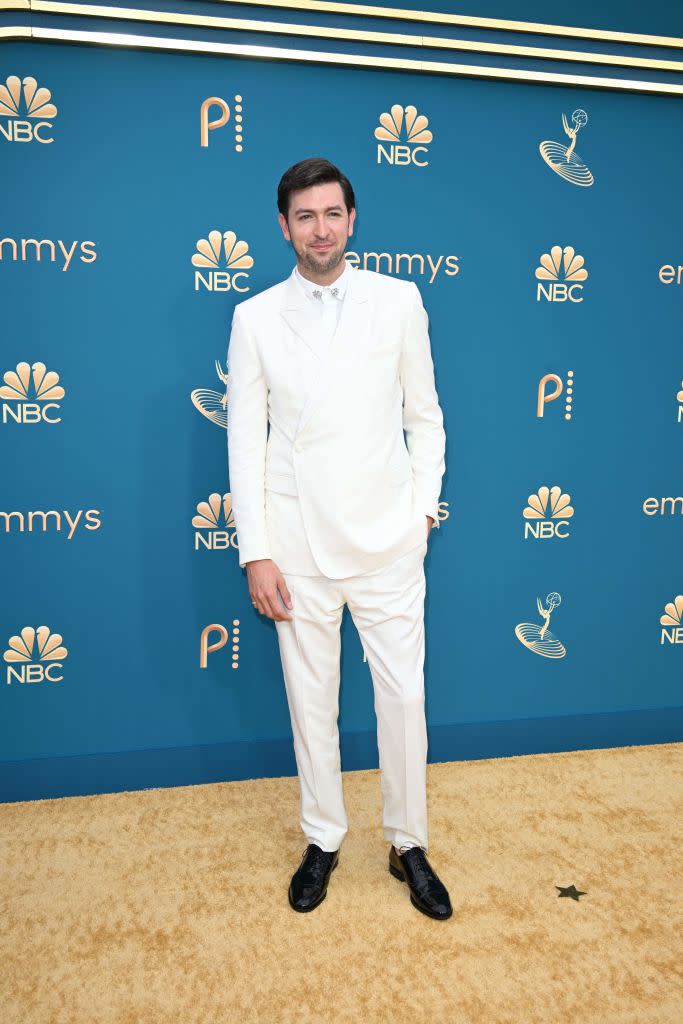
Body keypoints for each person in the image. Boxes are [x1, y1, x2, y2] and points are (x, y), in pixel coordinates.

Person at [226, 156, 452, 920]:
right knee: (309, 702)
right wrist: (255, 549)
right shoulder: (255, 316)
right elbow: (244, 444)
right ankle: (322, 837)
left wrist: (421, 512)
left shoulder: (399, 301)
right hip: (297, 546)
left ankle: (407, 842)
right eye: (303, 216)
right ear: (283, 226)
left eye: (331, 214)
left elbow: (424, 418)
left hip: (389, 539)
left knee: (404, 698)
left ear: (352, 221)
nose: (319, 229)